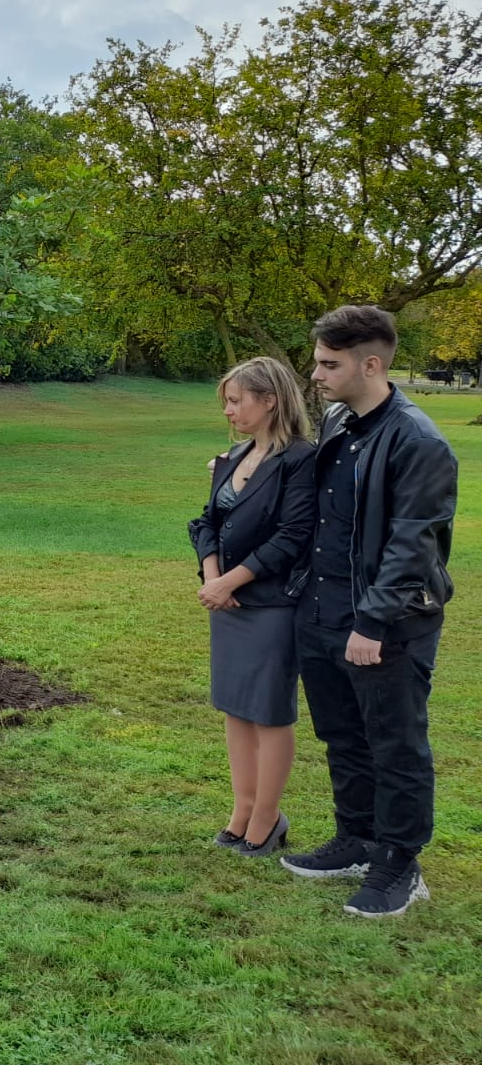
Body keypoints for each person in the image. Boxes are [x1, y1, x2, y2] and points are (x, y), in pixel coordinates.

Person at [281, 305, 457, 918]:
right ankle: (356, 839)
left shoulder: (418, 441)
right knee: (342, 735)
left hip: (386, 624)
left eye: (329, 364)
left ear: (372, 364)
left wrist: (372, 623)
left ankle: (399, 863)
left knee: (395, 743)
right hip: (320, 610)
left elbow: (414, 543)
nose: (317, 375)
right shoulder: (338, 421)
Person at [189, 357, 316, 858]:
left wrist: (231, 581)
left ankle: (268, 817)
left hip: (271, 605)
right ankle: (241, 810)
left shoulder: (301, 459)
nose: (228, 410)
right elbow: (206, 523)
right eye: (227, 401)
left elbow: (293, 536)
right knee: (236, 708)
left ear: (271, 400)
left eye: (236, 400)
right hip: (228, 603)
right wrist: (213, 578)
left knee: (268, 712)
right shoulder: (235, 456)